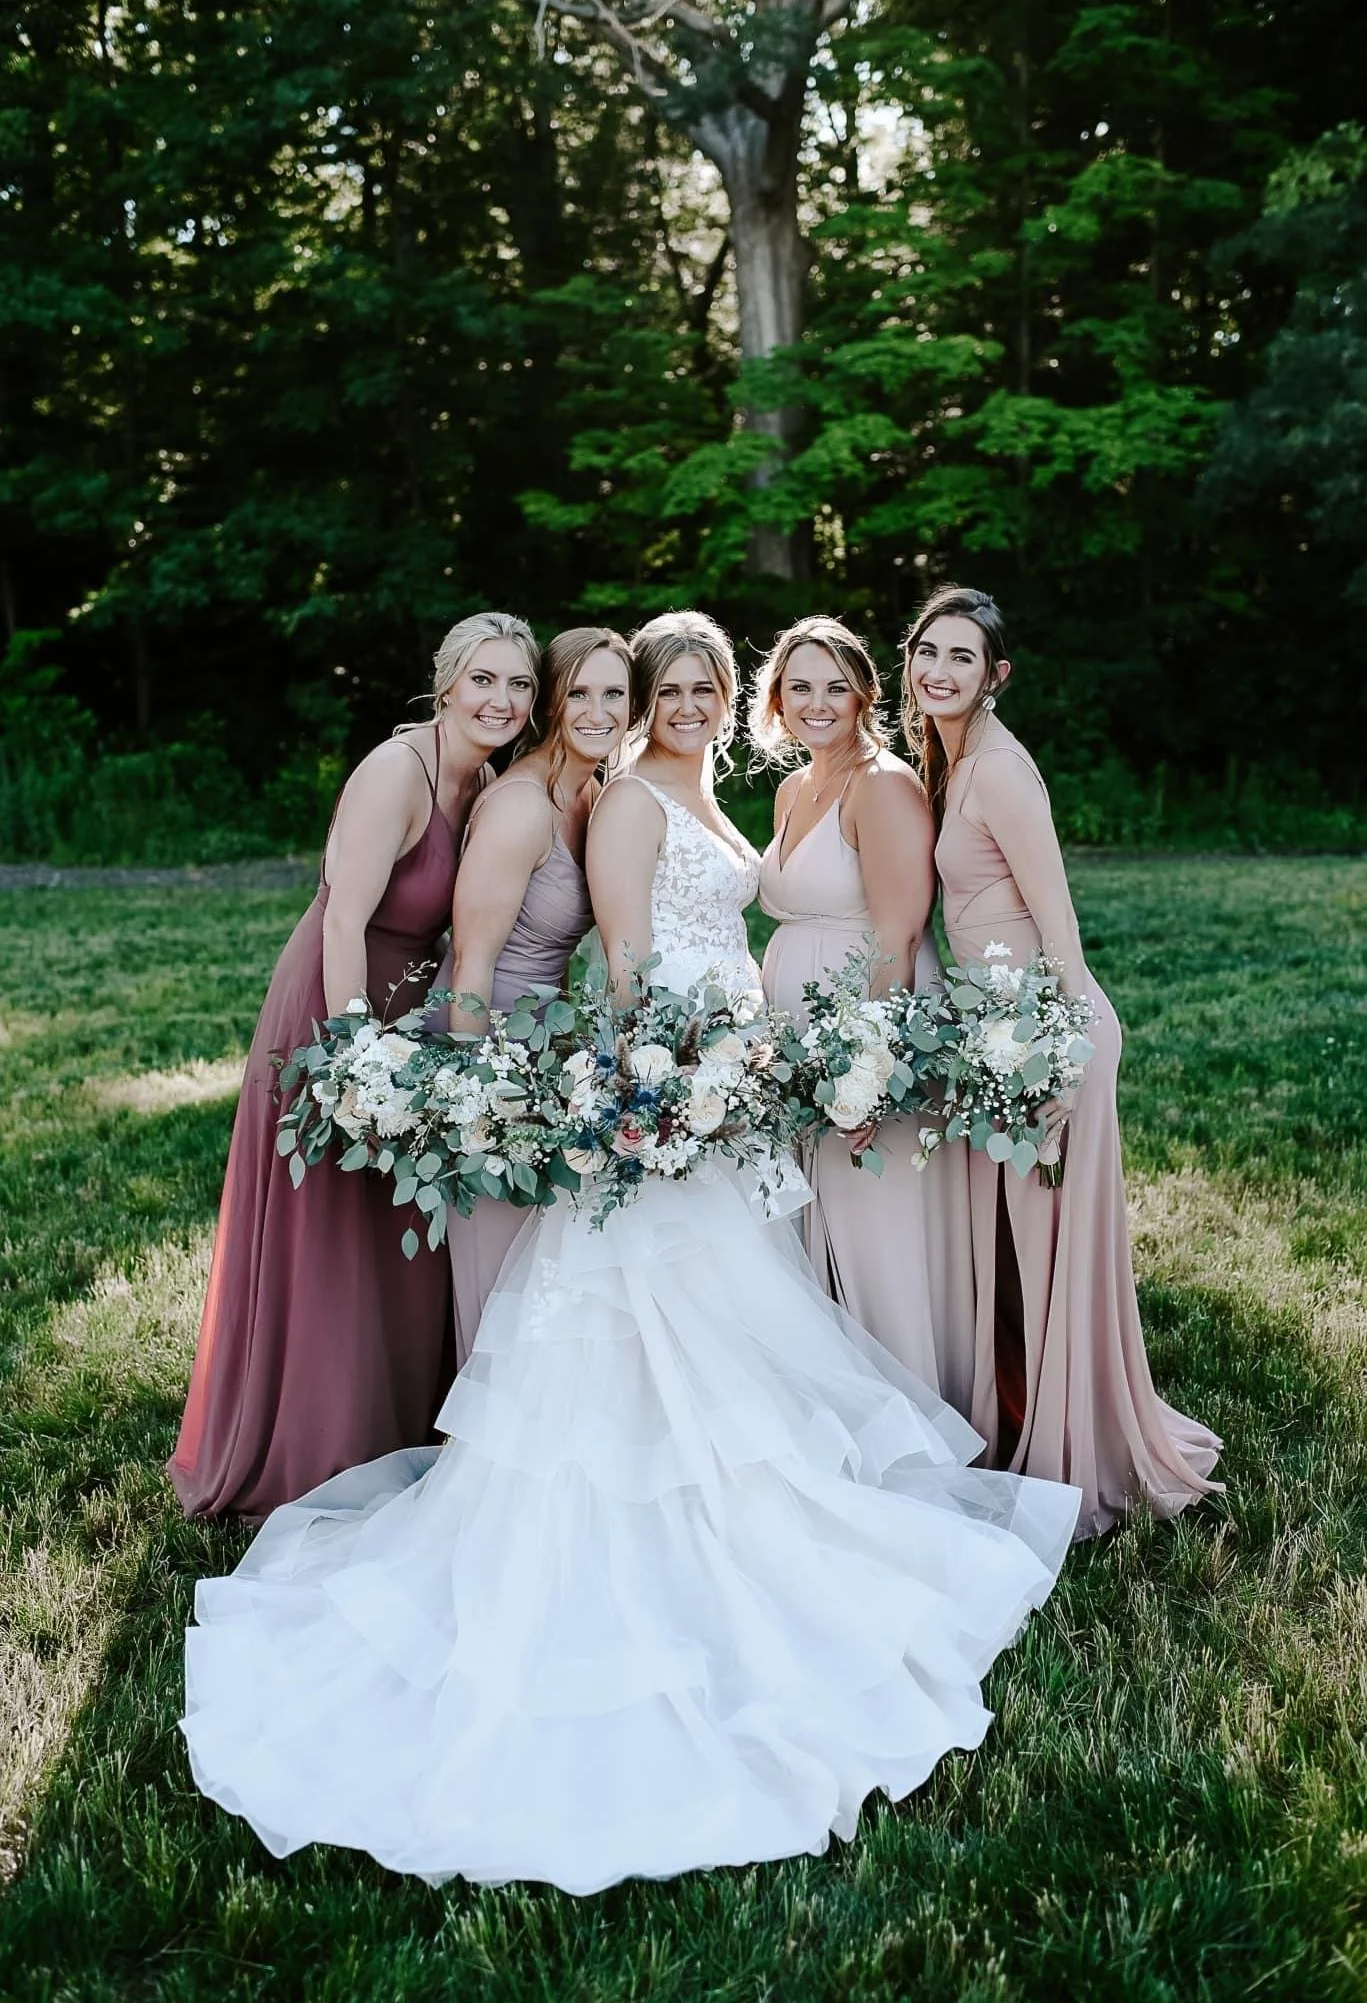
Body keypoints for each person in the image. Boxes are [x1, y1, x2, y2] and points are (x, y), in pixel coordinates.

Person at [180, 608, 1080, 1895]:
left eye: (705, 687)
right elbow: (624, 959)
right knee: (663, 1318)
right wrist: (665, 1083)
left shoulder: (701, 792)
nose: (685, 707)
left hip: (723, 1083)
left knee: (744, 1313)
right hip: (669, 1090)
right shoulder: (623, 802)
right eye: (666, 691)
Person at [168, 612, 540, 1519]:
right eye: (483, 679)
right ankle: (312, 1447)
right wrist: (353, 1059)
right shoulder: (396, 772)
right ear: (445, 683)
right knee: (329, 1229)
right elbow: (342, 918)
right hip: (337, 1003)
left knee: (394, 1228)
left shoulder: (485, 782)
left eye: (519, 684)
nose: (500, 700)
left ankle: (391, 1432)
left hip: (408, 1006)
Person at [902, 584, 1223, 1537]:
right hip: (997, 1034)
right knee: (1013, 1255)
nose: (940, 671)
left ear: (994, 675)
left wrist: (1061, 1054)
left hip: (1044, 1034)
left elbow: (1059, 925)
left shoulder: (999, 769)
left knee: (1046, 1258)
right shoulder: (948, 760)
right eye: (928, 651)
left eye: (962, 657)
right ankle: (1018, 1423)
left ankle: (1078, 1455)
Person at [752, 615, 975, 1415]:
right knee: (817, 1222)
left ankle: (912, 1408)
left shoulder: (881, 785)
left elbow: (898, 934)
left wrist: (869, 1071)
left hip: (866, 1029)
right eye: (799, 688)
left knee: (875, 1225)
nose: (817, 703)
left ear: (863, 696)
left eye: (834, 688)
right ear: (777, 700)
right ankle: (835, 1411)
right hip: (800, 1032)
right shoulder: (793, 788)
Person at [438, 626, 633, 1364]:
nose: (597, 712)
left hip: (548, 1048)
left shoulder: (592, 795)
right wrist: (474, 1101)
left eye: (614, 694)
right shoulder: (522, 806)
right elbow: (471, 962)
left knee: (547, 1274)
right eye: (579, 693)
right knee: (500, 1276)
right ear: (551, 702)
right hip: (490, 1047)